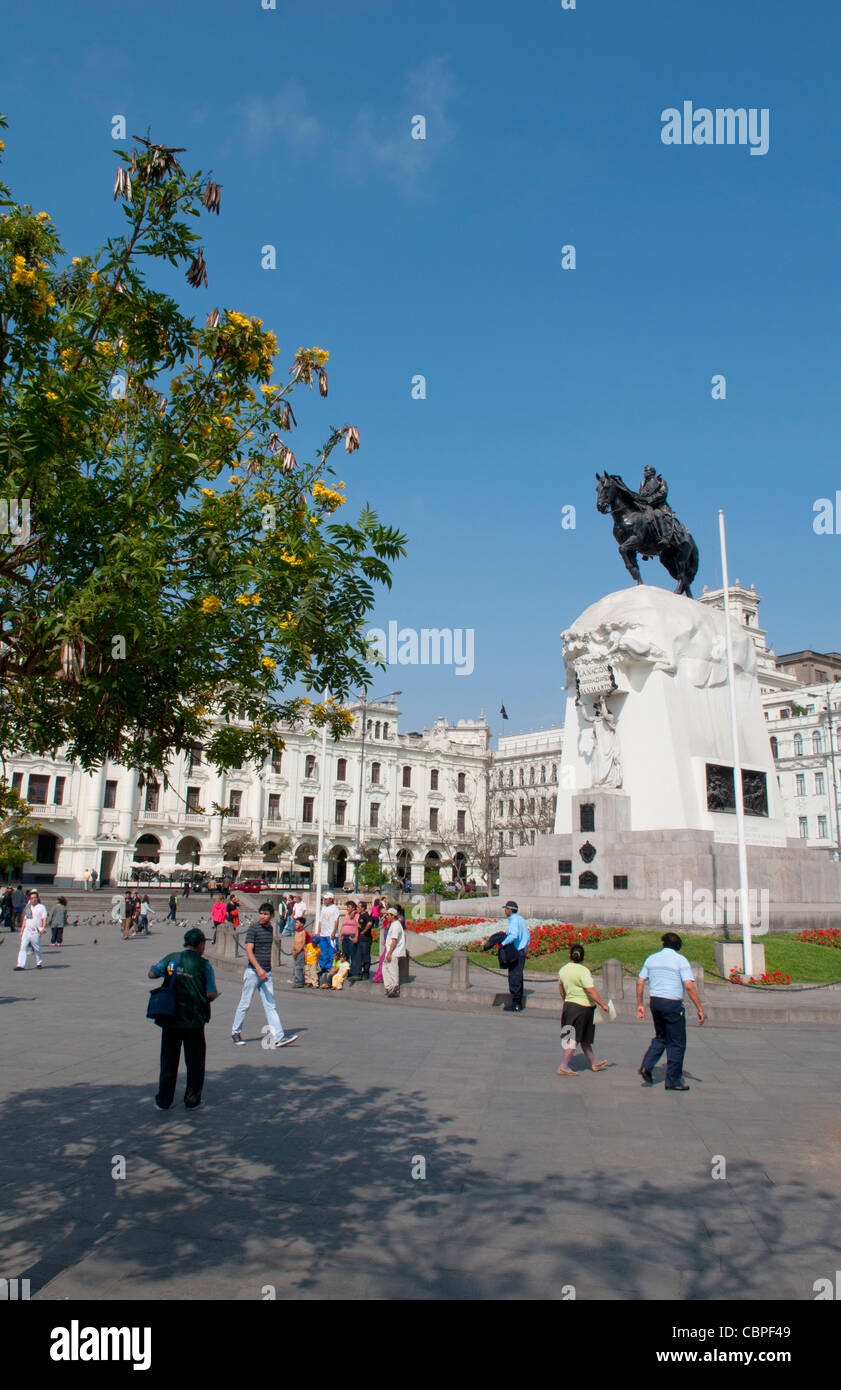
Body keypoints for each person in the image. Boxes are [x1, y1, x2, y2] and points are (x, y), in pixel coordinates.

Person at [147, 927, 219, 1110]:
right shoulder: (205, 965)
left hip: (171, 1018)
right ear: (200, 944)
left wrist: (172, 974)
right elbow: (210, 993)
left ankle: (164, 1100)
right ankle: (192, 1099)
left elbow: (152, 973)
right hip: (193, 1020)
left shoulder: (172, 958)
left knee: (168, 1061)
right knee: (195, 1062)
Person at [637, 931, 706, 1091]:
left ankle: (647, 1065)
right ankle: (673, 1080)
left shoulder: (651, 958)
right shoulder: (680, 960)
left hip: (655, 1002)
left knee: (661, 1036)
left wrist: (640, 1003)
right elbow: (689, 986)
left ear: (663, 944)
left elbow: (640, 981)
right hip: (673, 1004)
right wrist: (700, 1008)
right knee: (677, 1042)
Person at [231, 902, 298, 1048]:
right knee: (245, 1003)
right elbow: (249, 951)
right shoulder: (253, 929)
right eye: (261, 913)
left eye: (266, 914)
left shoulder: (270, 929)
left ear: (271, 916)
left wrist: (266, 970)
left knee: (270, 1005)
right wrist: (258, 969)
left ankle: (279, 1036)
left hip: (266, 973)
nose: (262, 916)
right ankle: (236, 1031)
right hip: (254, 972)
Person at [557, 944, 610, 1076]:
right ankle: (563, 1066)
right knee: (574, 1039)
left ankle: (594, 1062)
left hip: (569, 1006)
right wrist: (603, 1004)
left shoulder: (563, 970)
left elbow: (561, 989)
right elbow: (590, 991)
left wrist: (567, 999)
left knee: (584, 1038)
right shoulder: (583, 971)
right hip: (583, 1008)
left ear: (570, 955)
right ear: (583, 957)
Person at [498, 900, 531, 1013]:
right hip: (521, 951)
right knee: (518, 976)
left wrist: (503, 943)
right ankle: (518, 1002)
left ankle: (516, 1004)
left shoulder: (514, 920)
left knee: (514, 977)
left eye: (506, 909)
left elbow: (513, 935)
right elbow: (527, 935)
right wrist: (524, 948)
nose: (505, 911)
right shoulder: (520, 919)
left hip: (515, 952)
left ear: (510, 910)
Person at [15, 889, 48, 969]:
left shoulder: (41, 907)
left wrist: (43, 928)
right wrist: (22, 930)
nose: (34, 899)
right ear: (29, 899)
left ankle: (39, 962)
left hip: (35, 931)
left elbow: (44, 918)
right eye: (32, 898)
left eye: (35, 897)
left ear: (37, 898)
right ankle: (20, 965)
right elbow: (25, 919)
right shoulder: (28, 907)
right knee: (22, 948)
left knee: (37, 948)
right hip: (27, 930)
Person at [381, 907, 406, 998]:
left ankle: (395, 988)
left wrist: (389, 953)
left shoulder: (396, 925)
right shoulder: (392, 924)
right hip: (390, 951)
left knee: (393, 970)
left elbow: (394, 940)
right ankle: (389, 987)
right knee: (385, 969)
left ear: (393, 916)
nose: (386, 916)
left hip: (394, 952)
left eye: (388, 915)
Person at [355, 900, 374, 980]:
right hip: (360, 939)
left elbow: (369, 923)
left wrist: (364, 931)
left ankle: (366, 972)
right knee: (359, 956)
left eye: (359, 907)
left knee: (366, 956)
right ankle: (359, 972)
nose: (357, 909)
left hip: (365, 939)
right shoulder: (360, 916)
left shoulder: (366, 915)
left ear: (363, 908)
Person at [339, 900, 359, 964]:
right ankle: (346, 968)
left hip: (351, 936)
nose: (348, 908)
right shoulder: (346, 915)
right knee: (345, 954)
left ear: (353, 908)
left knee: (352, 953)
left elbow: (358, 926)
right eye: (347, 907)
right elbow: (343, 926)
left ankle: (353, 969)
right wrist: (340, 935)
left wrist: (356, 937)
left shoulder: (356, 915)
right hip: (345, 937)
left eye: (349, 907)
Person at [292, 919, 308, 987]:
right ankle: (296, 980)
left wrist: (298, 951)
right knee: (295, 966)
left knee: (299, 967)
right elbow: (294, 941)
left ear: (302, 924)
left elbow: (303, 942)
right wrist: (293, 950)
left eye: (297, 923)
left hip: (300, 951)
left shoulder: (303, 932)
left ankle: (299, 982)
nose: (296, 924)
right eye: (296, 922)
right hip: (295, 951)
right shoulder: (296, 932)